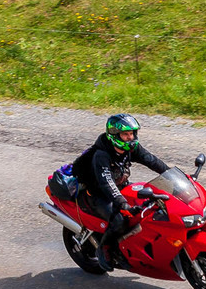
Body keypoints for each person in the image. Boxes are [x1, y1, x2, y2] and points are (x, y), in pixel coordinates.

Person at [67, 111, 171, 271]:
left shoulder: (132, 148)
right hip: (96, 194)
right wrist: (123, 204)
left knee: (148, 207)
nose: (130, 137)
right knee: (120, 220)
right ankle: (104, 249)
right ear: (115, 135)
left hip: (120, 186)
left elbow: (152, 161)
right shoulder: (101, 155)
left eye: (132, 133)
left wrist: (173, 175)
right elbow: (106, 183)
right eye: (125, 134)